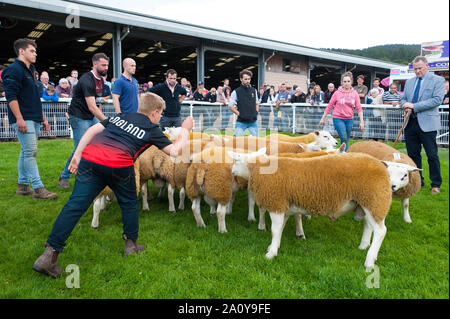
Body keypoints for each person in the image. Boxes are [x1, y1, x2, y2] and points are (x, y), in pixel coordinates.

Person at [32, 93, 194, 278]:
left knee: (75, 205)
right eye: (160, 113)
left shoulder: (120, 116)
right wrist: (185, 129)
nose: (160, 117)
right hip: (119, 164)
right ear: (155, 112)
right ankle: (131, 245)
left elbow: (93, 130)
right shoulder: (151, 128)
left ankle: (48, 256)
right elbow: (174, 151)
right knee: (129, 202)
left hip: (90, 159)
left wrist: (77, 154)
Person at [2, 38, 58, 199]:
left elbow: (34, 97)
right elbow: (11, 97)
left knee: (25, 152)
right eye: (32, 51)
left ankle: (23, 186)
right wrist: (19, 118)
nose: (35, 53)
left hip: (35, 117)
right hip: (23, 118)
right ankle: (38, 188)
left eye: (35, 51)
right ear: (21, 51)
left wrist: (44, 118)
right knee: (30, 152)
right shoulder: (12, 70)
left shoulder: (32, 70)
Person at [58, 52, 110, 189]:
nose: (106, 68)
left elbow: (96, 102)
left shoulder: (101, 80)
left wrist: (101, 119)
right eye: (103, 65)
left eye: (107, 65)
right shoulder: (87, 80)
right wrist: (106, 122)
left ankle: (93, 174)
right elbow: (92, 106)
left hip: (90, 116)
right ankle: (64, 177)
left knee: (98, 143)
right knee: (80, 147)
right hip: (78, 116)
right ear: (94, 64)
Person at [401, 56, 445, 194]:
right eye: (415, 69)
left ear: (427, 66)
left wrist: (414, 106)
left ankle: (436, 184)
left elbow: (437, 100)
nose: (417, 71)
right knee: (413, 155)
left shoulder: (438, 80)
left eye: (420, 68)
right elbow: (403, 99)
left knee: (432, 155)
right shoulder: (409, 82)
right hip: (410, 123)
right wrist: (405, 105)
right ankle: (418, 182)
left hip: (428, 124)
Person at [318, 71, 364, 151]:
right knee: (343, 137)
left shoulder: (355, 94)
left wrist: (361, 121)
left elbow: (358, 108)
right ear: (342, 82)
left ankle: (343, 154)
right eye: (345, 81)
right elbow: (329, 106)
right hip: (338, 118)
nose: (346, 83)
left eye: (348, 81)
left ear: (351, 82)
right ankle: (343, 155)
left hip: (350, 119)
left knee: (346, 139)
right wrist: (323, 118)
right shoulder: (337, 93)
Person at [228, 69, 259, 136]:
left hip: (253, 121)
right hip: (241, 122)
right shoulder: (236, 92)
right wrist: (239, 113)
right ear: (241, 79)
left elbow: (257, 103)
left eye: (249, 79)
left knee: (257, 142)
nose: (248, 81)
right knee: (235, 142)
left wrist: (256, 112)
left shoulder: (254, 90)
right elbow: (230, 105)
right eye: (245, 79)